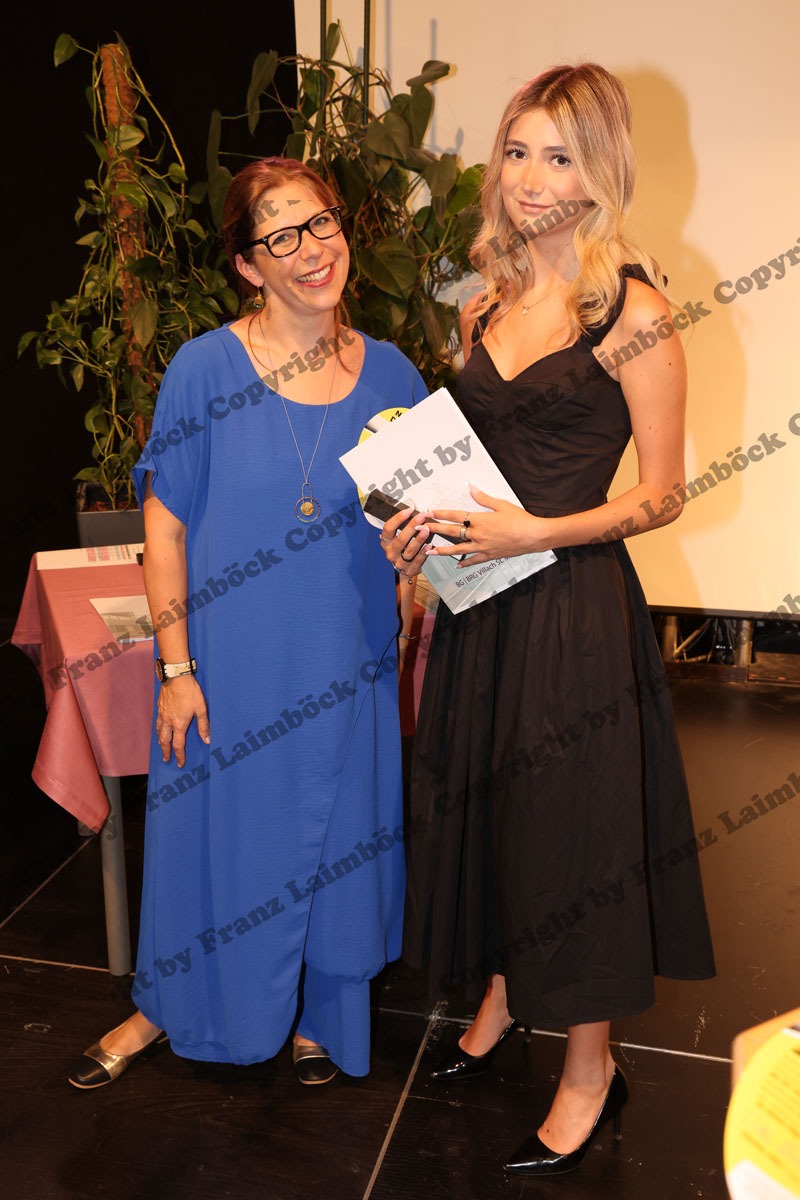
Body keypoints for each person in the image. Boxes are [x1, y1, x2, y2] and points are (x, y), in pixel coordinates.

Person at [380, 62, 716, 1175]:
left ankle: (588, 1069)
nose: (530, 179)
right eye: (517, 152)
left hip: (571, 611)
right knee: (486, 807)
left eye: (558, 157)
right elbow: (469, 460)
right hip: (478, 606)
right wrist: (416, 533)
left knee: (573, 838)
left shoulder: (635, 312)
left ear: (600, 169)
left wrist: (537, 531)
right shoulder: (481, 298)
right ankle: (498, 995)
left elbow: (663, 493)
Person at [68, 157, 428, 1090]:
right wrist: (176, 669)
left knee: (340, 836)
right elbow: (165, 527)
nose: (312, 250)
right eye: (281, 236)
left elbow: (425, 533)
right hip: (230, 663)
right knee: (215, 839)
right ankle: (171, 1005)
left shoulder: (394, 375)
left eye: (322, 223)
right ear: (247, 266)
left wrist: (417, 565)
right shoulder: (205, 370)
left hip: (347, 657)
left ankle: (322, 1012)